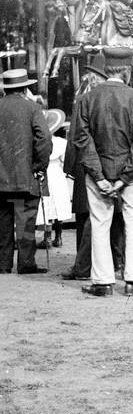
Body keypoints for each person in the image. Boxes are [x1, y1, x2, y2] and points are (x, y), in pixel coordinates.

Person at [71, 47, 133, 296]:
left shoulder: (86, 99)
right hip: (131, 175)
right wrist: (124, 177)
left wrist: (100, 177)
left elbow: (82, 141)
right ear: (127, 71)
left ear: (105, 71)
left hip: (99, 173)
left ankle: (103, 282)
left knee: (99, 224)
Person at [0, 69, 51, 275]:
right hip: (25, 177)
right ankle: (25, 263)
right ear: (25, 88)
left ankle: (3, 264)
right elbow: (44, 140)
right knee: (26, 220)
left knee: (3, 221)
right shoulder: (32, 108)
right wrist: (39, 166)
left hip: (1, 179)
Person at [37, 109, 71, 249]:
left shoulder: (38, 143)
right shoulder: (62, 143)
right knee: (59, 204)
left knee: (46, 203)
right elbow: (65, 161)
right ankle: (59, 237)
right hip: (57, 174)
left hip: (45, 174)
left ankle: (47, 237)